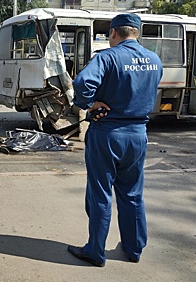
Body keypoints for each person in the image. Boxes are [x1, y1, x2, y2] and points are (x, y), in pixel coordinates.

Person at [67, 13, 163, 267]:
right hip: (138, 135)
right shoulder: (154, 60)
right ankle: (134, 249)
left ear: (113, 33)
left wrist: (89, 104)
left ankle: (95, 251)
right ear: (137, 33)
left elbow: (82, 83)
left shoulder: (108, 57)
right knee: (132, 194)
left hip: (107, 134)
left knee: (100, 194)